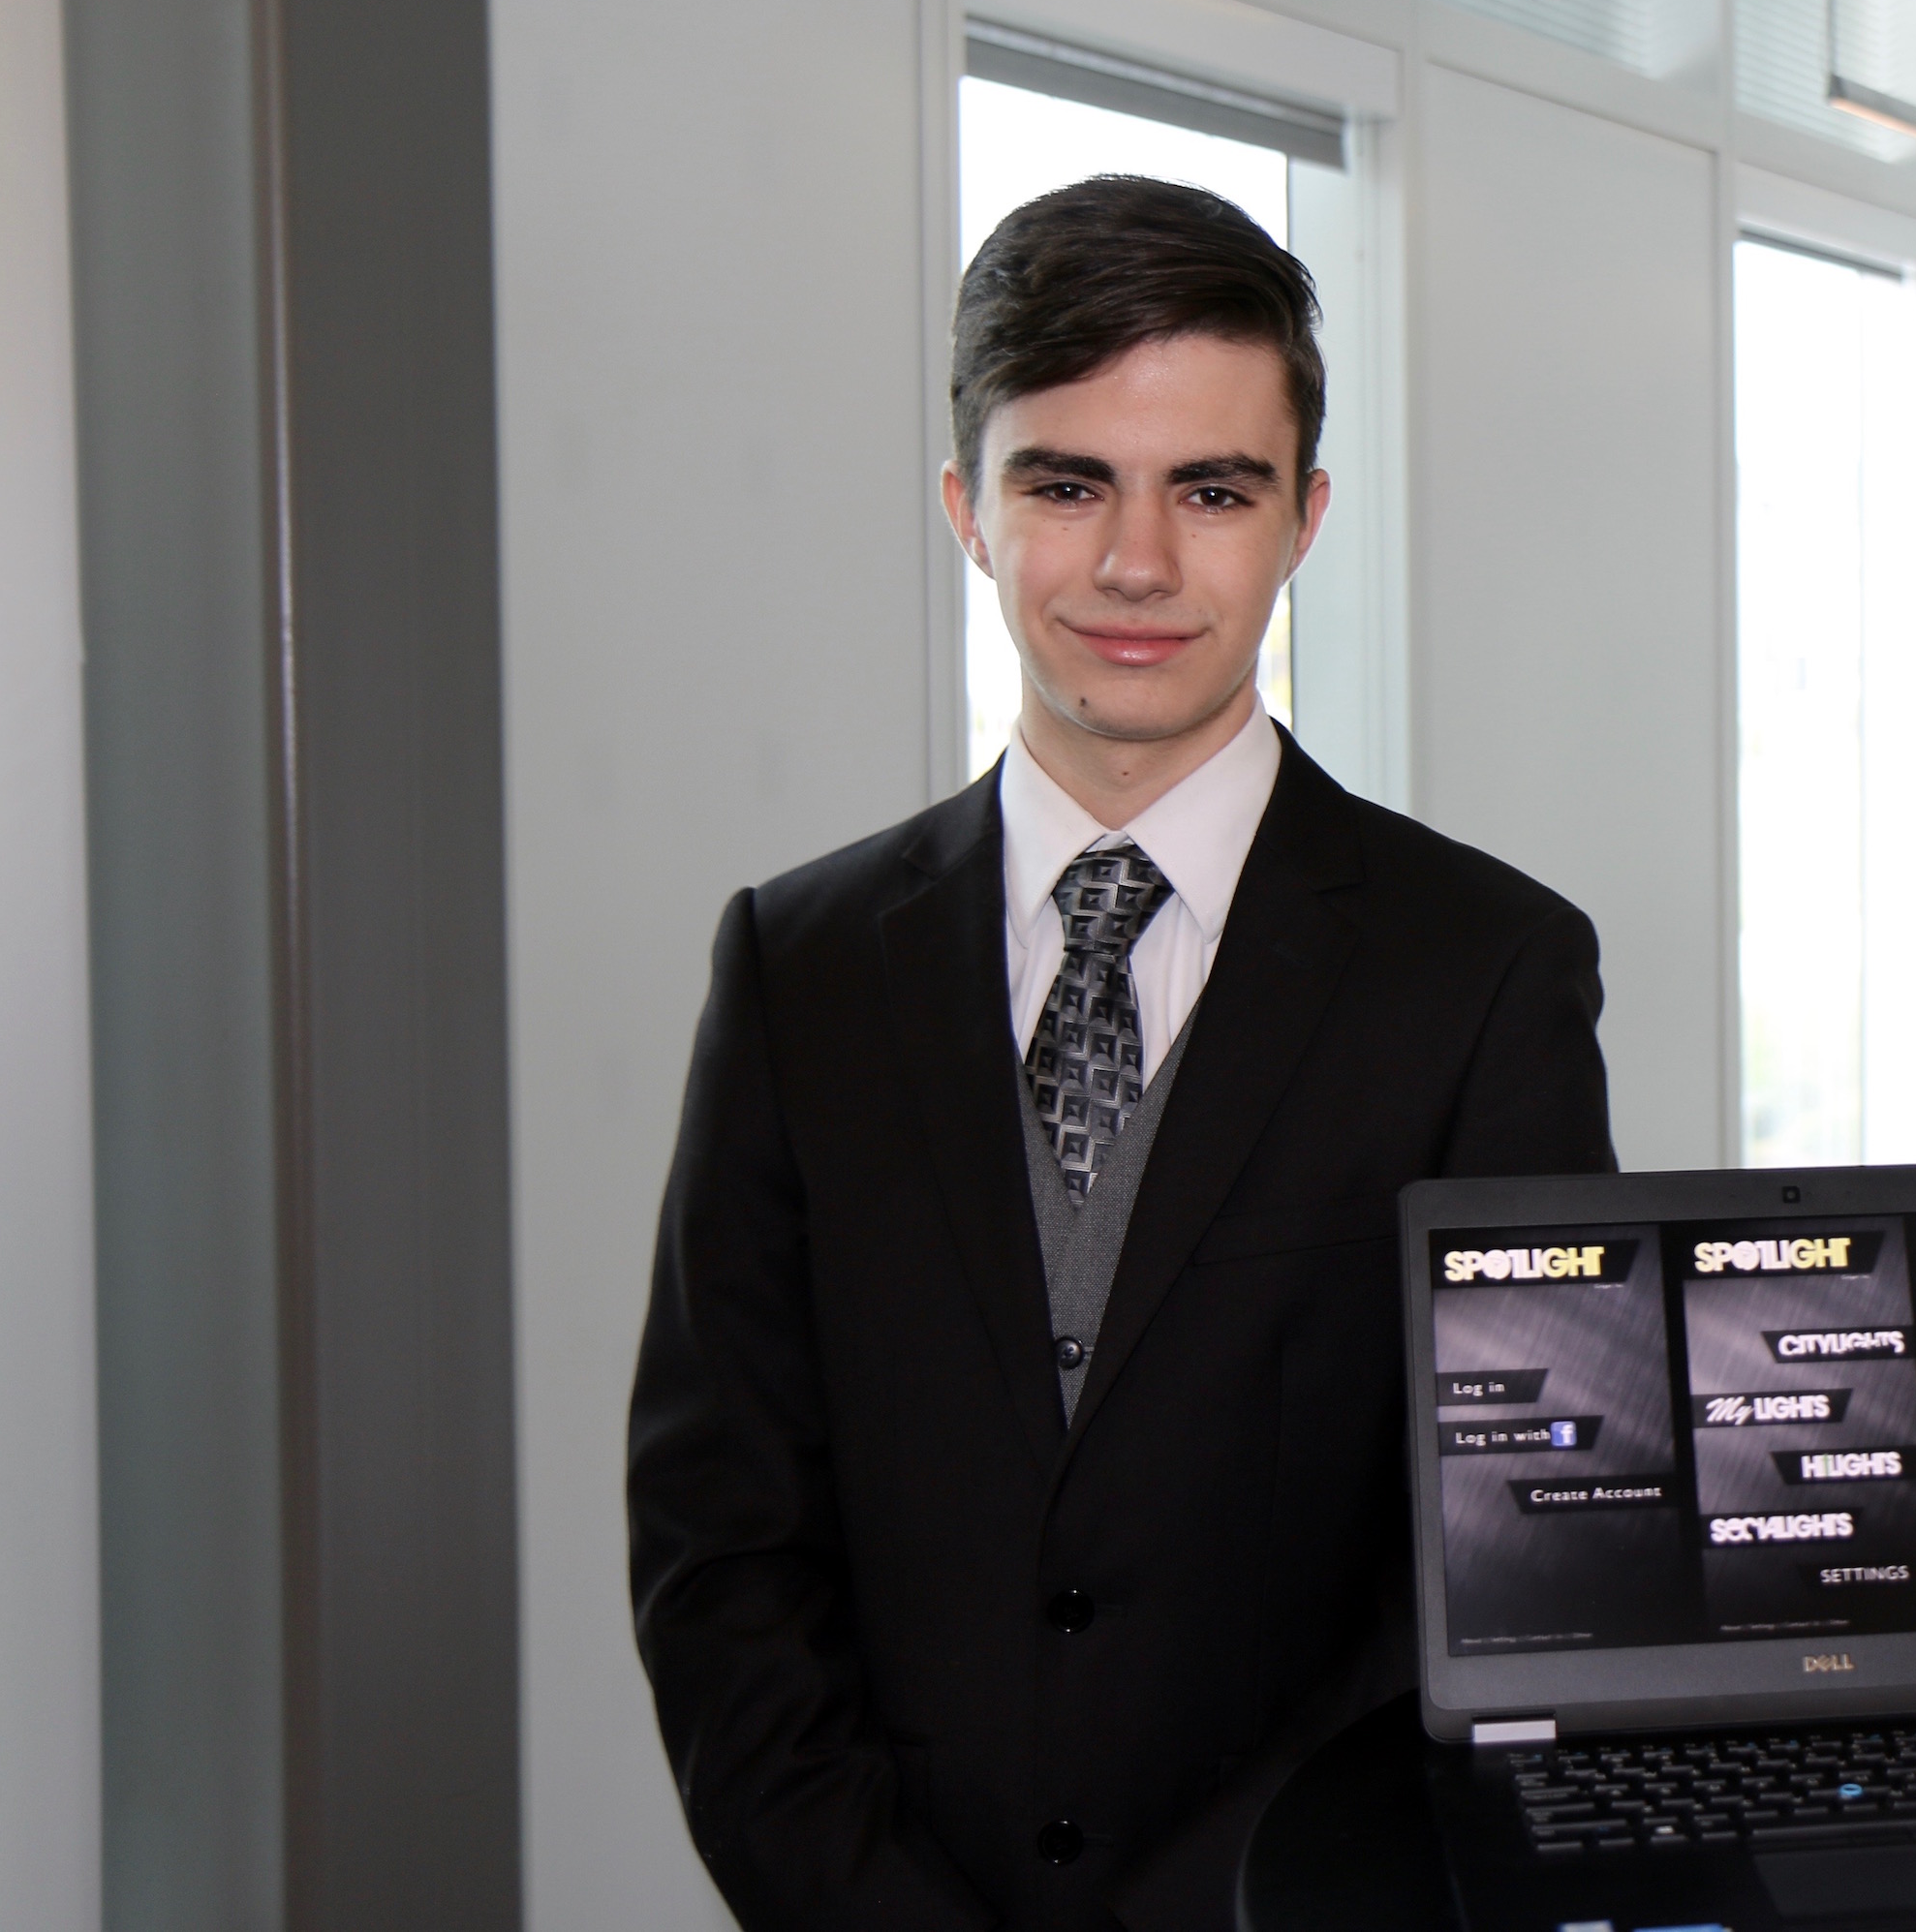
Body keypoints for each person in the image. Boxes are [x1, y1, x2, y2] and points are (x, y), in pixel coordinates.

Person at [628, 175, 1618, 1930]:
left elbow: (1504, 1554)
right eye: (1066, 482)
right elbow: (724, 1553)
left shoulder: (1485, 973)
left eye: (1211, 490)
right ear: (966, 508)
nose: (1137, 562)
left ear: (1304, 517)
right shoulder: (797, 968)